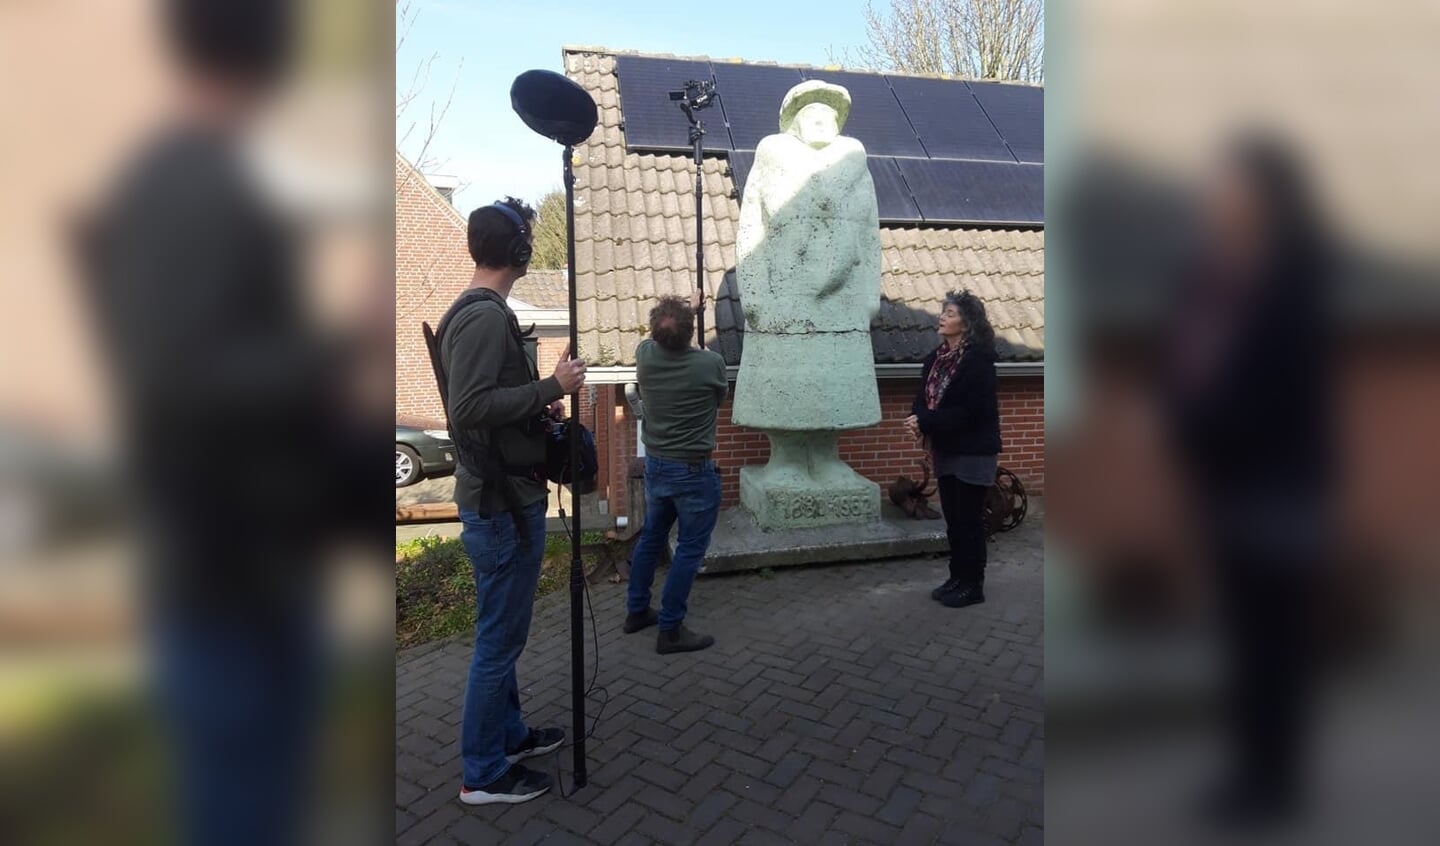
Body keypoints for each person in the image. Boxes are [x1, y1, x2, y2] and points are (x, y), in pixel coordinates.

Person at [1162, 136, 1332, 826]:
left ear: (1263, 197)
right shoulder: (1210, 276)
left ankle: (1275, 782)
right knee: (1240, 640)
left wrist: (1209, 414)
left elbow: (1287, 395)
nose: (1217, 197)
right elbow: (1181, 362)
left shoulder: (1293, 280)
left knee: (1275, 645)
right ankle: (1249, 770)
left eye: (1230, 186)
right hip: (1224, 488)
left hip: (1279, 487)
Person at [437, 198, 587, 805]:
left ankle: (511, 736)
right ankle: (483, 773)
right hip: (499, 507)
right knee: (497, 643)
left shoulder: (485, 313)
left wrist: (535, 403)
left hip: (507, 497)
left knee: (505, 636)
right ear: (521, 251)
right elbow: (468, 409)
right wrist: (553, 386)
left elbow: (492, 400)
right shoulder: (481, 317)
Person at [731, 80, 882, 488]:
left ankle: (826, 457)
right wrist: (755, 291)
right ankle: (786, 460)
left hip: (842, 299)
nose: (820, 120)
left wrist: (869, 292)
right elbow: (750, 229)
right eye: (811, 113)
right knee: (785, 380)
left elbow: (870, 234)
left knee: (833, 383)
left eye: (828, 114)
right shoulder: (771, 157)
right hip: (784, 297)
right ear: (794, 122)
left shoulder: (855, 165)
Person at [624, 291, 728, 654]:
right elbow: (718, 399)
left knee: (652, 537)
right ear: (688, 333)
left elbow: (659, 339)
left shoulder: (645, 358)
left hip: (657, 467)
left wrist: (688, 314)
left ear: (655, 334)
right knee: (688, 549)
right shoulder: (710, 364)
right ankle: (670, 629)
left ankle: (636, 610)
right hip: (693, 472)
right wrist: (693, 320)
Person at [905, 291, 1002, 609]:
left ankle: (973, 585)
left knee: (969, 520)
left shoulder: (979, 361)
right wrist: (917, 418)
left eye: (950, 312)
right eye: (943, 311)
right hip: (946, 449)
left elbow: (969, 412)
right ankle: (956, 577)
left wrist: (926, 420)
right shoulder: (934, 360)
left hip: (973, 451)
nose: (942, 316)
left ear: (967, 322)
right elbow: (922, 398)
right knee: (954, 520)